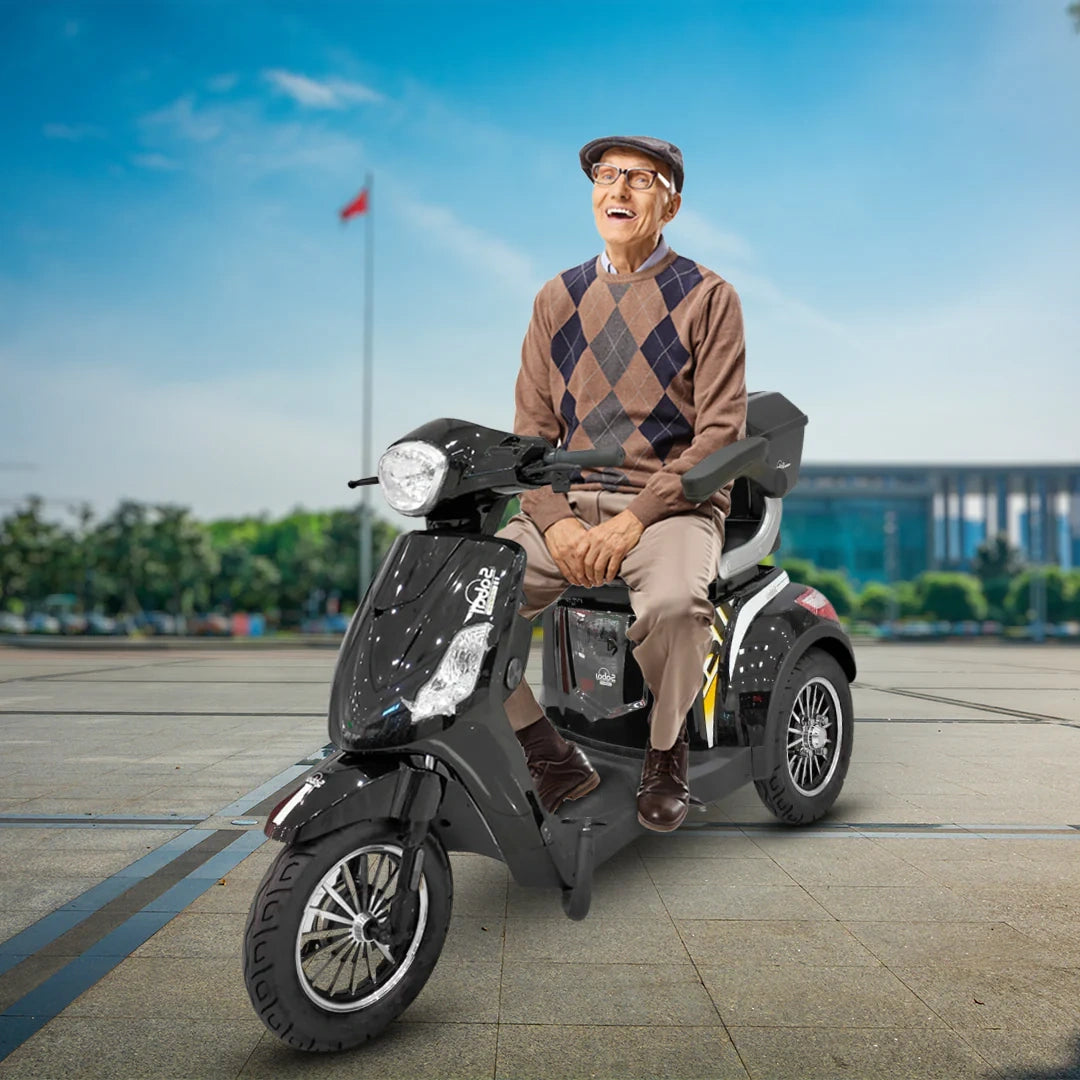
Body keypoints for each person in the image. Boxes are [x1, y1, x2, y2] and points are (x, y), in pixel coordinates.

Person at [498, 135, 747, 832]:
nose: (619, 191)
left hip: (670, 506)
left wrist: (634, 519)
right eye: (606, 176)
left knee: (675, 609)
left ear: (671, 204)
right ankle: (545, 750)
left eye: (641, 179)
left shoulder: (708, 296)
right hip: (569, 505)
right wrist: (557, 521)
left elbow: (719, 437)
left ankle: (665, 754)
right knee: (466, 608)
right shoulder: (557, 298)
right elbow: (529, 438)